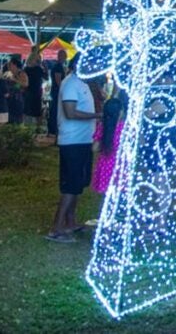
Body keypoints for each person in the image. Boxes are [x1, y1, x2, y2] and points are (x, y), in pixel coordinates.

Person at [48, 55, 101, 243]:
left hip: (83, 140)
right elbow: (70, 112)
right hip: (72, 141)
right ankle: (56, 228)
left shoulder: (83, 83)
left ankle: (70, 221)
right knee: (70, 185)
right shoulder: (70, 83)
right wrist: (97, 115)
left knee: (78, 184)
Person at [92, 83, 125, 195]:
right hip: (120, 165)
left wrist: (104, 141)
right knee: (118, 193)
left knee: (106, 195)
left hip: (105, 165)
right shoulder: (124, 127)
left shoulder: (102, 127)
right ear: (120, 113)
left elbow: (94, 148)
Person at [48, 49, 67, 137]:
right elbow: (58, 80)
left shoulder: (58, 66)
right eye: (64, 56)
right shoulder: (58, 67)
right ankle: (53, 130)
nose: (65, 58)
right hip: (57, 93)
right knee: (55, 112)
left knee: (55, 111)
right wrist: (63, 91)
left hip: (55, 92)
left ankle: (53, 130)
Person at [23, 50, 45, 128]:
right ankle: (36, 128)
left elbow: (45, 76)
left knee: (34, 111)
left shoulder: (31, 69)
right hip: (33, 92)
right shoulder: (33, 69)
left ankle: (33, 128)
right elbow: (45, 77)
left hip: (33, 92)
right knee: (34, 112)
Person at [5, 55, 28, 125]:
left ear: (15, 65)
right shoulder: (8, 74)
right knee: (9, 119)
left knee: (18, 119)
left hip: (18, 99)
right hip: (9, 100)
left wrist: (15, 80)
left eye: (10, 64)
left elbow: (25, 84)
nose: (8, 66)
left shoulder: (22, 73)